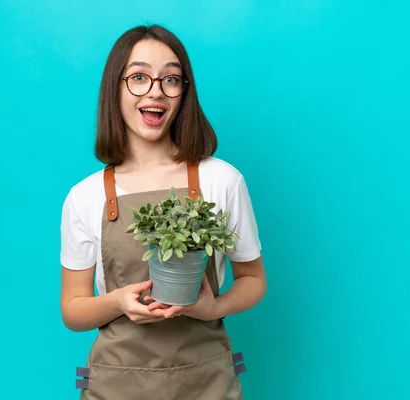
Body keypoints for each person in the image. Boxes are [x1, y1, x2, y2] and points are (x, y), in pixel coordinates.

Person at [60, 24, 267, 400]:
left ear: (184, 92)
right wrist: (118, 302)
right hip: (117, 384)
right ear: (115, 88)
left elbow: (254, 279)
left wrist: (210, 308)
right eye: (139, 77)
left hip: (206, 382)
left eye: (170, 79)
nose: (155, 90)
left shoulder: (221, 179)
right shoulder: (85, 195)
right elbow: (73, 309)